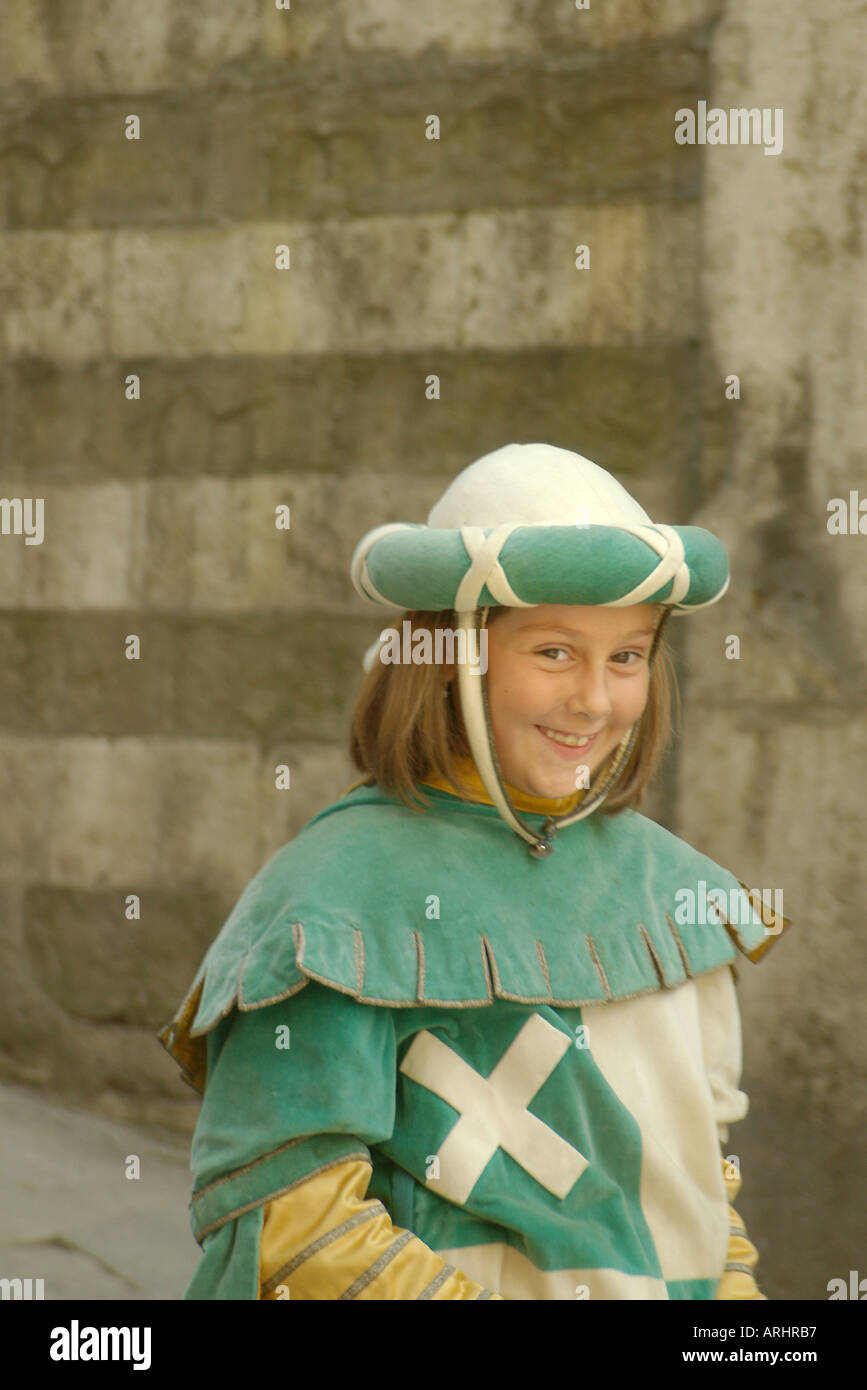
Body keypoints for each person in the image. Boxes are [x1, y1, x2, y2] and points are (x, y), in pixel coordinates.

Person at [159, 441, 790, 1300]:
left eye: (627, 656)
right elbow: (293, 1222)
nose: (596, 702)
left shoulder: (677, 894)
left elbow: (700, 1197)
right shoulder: (330, 898)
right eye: (554, 653)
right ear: (446, 661)